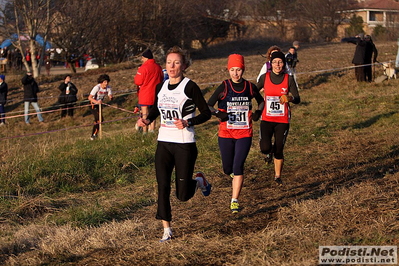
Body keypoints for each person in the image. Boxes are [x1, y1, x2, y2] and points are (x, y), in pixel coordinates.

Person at [137, 46, 212, 242]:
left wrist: (188, 122)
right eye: (169, 62)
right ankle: (166, 230)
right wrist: (146, 119)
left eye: (176, 62)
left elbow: (206, 113)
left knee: (182, 195)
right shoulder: (160, 87)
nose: (172, 66)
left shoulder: (190, 87)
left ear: (183, 65)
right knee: (162, 186)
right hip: (164, 142)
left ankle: (199, 182)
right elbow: (155, 110)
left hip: (184, 143)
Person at [207, 54, 264, 213]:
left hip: (245, 133)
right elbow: (208, 105)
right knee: (227, 168)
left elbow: (261, 101)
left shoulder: (250, 87)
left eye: (238, 69)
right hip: (226, 133)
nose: (235, 73)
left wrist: (258, 113)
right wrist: (219, 113)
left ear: (243, 69)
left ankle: (234, 200)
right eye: (232, 70)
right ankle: (232, 174)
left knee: (238, 166)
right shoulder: (224, 87)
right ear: (228, 70)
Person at [256, 51, 300, 186]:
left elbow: (297, 98)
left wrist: (290, 97)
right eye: (275, 62)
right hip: (267, 118)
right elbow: (253, 92)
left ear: (283, 63)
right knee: (265, 147)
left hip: (283, 120)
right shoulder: (264, 77)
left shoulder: (289, 79)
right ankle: (268, 152)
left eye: (280, 62)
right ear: (271, 64)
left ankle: (277, 176)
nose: (277, 65)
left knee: (279, 148)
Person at [134, 49, 164, 134]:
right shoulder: (158, 67)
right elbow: (161, 78)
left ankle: (144, 131)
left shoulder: (143, 68)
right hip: (156, 93)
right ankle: (152, 130)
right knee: (152, 113)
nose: (142, 60)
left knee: (145, 113)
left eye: (143, 58)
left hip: (145, 93)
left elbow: (138, 81)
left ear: (146, 58)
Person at [88, 74, 113, 140]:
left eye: (107, 82)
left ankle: (94, 134)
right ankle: (94, 134)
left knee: (99, 119)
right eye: (104, 82)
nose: (106, 83)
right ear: (101, 82)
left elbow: (109, 93)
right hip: (93, 104)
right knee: (99, 118)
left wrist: (110, 96)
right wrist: (96, 102)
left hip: (100, 104)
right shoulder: (97, 87)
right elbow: (90, 97)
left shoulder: (108, 87)